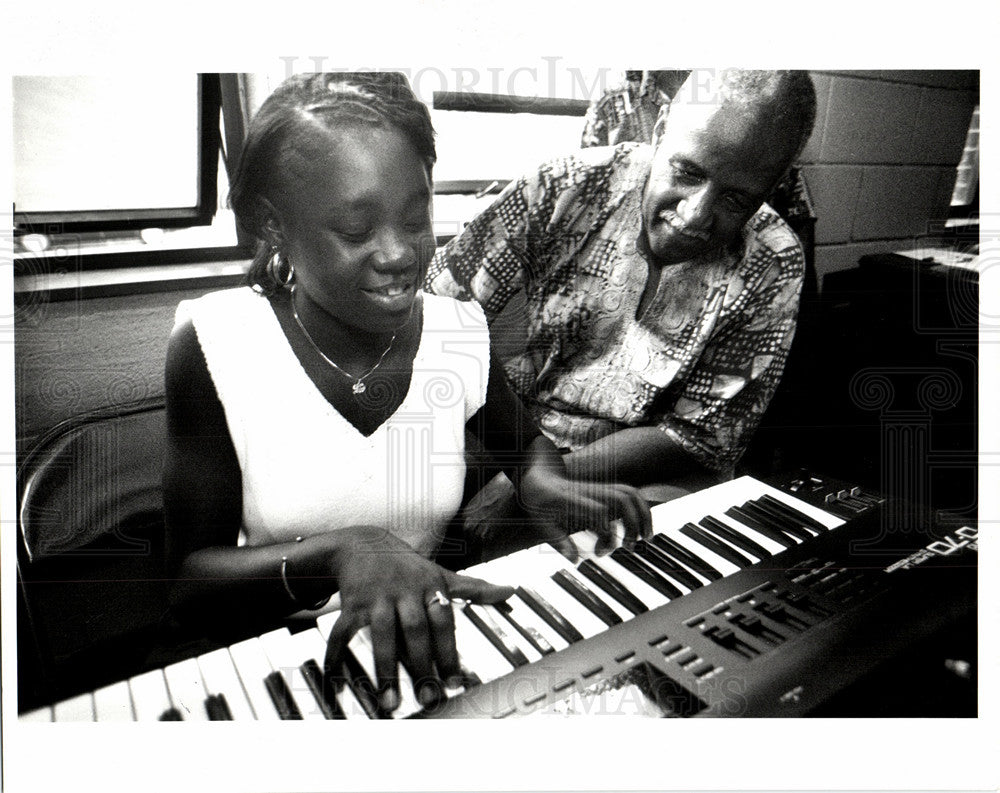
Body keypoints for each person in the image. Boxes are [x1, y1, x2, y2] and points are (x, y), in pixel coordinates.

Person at [162, 72, 651, 715]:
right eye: (356, 230)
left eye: (416, 218)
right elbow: (188, 585)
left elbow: (525, 443)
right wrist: (341, 552)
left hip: (425, 646)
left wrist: (539, 482)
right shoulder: (217, 343)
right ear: (275, 227)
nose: (398, 254)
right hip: (282, 666)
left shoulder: (453, 335)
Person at [425, 70, 817, 520]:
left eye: (735, 201)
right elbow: (435, 319)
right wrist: (521, 466)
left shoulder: (774, 260)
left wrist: (528, 487)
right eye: (686, 173)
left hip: (638, 474)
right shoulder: (560, 189)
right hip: (504, 434)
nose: (695, 215)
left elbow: (699, 436)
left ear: (774, 184)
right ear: (661, 127)